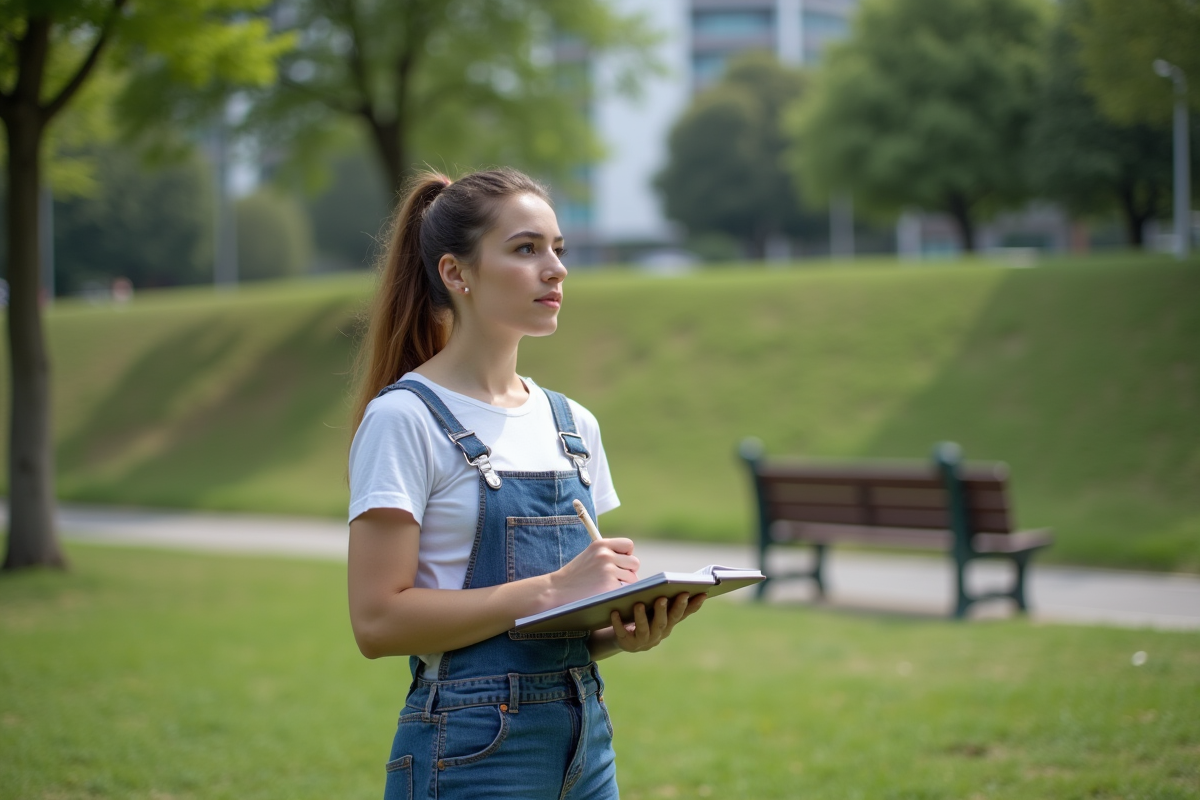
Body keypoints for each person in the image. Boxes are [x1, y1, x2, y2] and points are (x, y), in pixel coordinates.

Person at [346, 167, 706, 800]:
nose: (556, 269)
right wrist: (552, 587)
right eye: (525, 249)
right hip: (470, 749)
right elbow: (377, 621)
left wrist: (621, 628)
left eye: (558, 249)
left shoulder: (574, 425)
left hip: (586, 742)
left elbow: (554, 627)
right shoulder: (403, 419)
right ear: (456, 274)